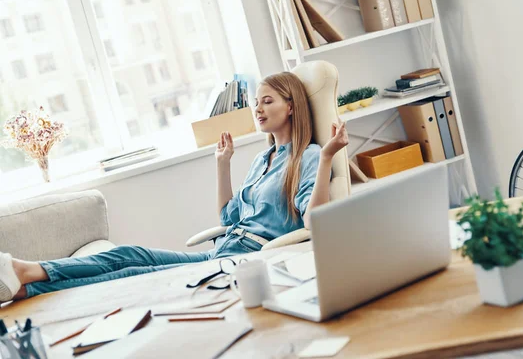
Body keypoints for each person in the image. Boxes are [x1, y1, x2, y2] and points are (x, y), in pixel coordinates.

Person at [0, 71, 349, 302]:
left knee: (135, 274)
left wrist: (326, 160)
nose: (257, 108)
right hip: (222, 252)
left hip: (243, 261)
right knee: (130, 255)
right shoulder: (264, 159)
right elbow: (229, 216)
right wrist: (222, 165)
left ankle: (28, 285)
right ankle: (27, 274)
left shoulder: (309, 156)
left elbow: (312, 221)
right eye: (256, 102)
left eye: (267, 101)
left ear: (291, 107)